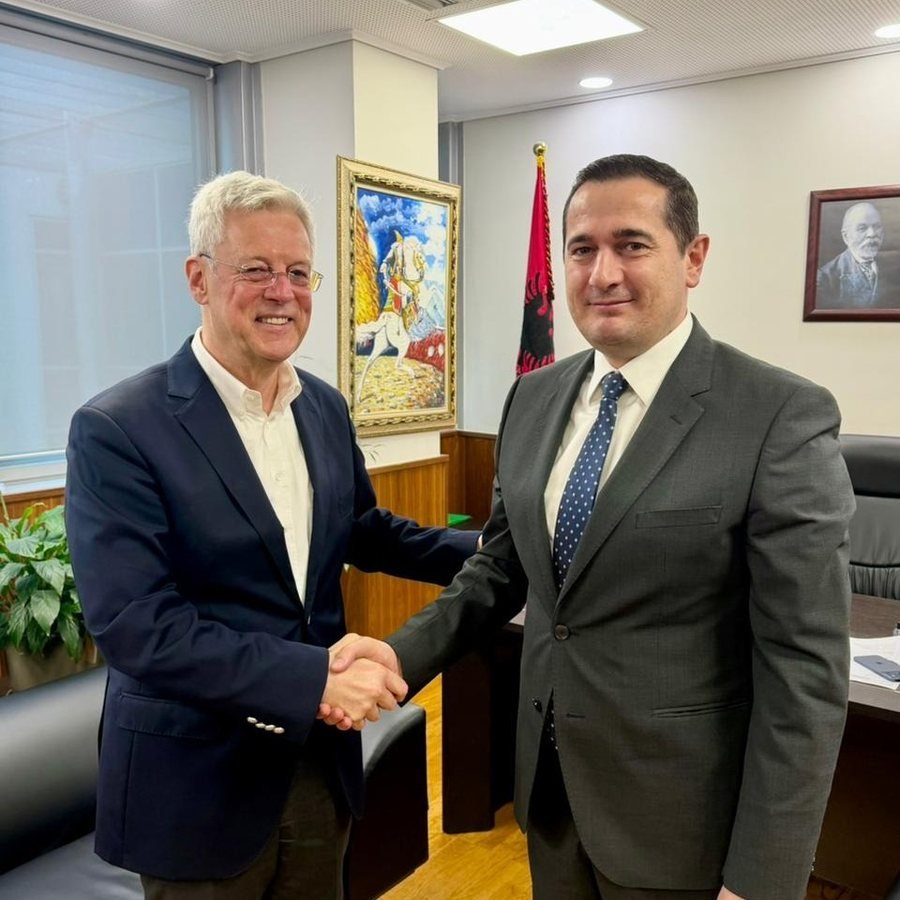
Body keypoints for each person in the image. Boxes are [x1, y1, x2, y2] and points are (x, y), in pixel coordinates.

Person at [327, 155, 855, 900]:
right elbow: (499, 568)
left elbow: (804, 671)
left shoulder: (777, 415)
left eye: (632, 245)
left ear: (693, 257)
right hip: (551, 797)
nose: (603, 273)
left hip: (684, 826)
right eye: (582, 249)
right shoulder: (533, 399)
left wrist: (763, 878)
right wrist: (394, 654)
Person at [64, 170, 477, 898]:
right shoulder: (118, 428)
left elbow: (363, 530)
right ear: (199, 279)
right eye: (255, 270)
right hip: (195, 782)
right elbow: (138, 626)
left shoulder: (323, 406)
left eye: (298, 272)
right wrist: (315, 677)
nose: (282, 292)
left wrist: (495, 552)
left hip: (316, 763)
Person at [816, 201, 890, 308]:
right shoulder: (826, 277)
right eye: (862, 228)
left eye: (877, 226)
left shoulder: (894, 267)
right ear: (846, 237)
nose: (872, 234)